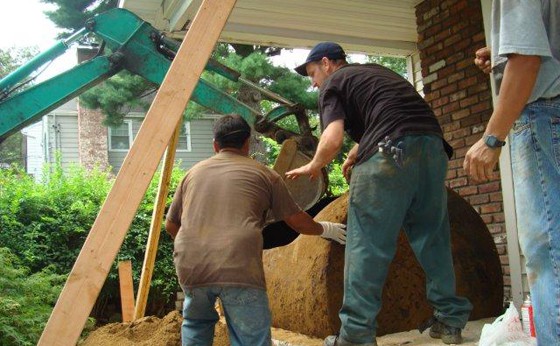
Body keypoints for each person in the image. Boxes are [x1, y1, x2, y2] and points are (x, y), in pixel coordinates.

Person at [287, 42, 472, 346]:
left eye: (312, 73)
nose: (313, 82)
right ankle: (450, 320)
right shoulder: (378, 74)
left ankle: (356, 335)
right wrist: (355, 154)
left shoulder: (334, 83)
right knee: (433, 237)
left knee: (367, 244)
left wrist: (315, 165)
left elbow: (332, 137)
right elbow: (394, 119)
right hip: (432, 149)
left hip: (389, 154)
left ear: (327, 63)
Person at [165, 114, 347, 346]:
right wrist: (326, 229)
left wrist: (197, 244)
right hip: (238, 265)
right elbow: (297, 221)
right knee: (250, 338)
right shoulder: (265, 174)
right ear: (247, 142)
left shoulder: (191, 175)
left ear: (215, 145)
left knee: (196, 324)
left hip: (191, 266)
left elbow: (171, 225)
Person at [464, 2, 560, 344]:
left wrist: (492, 137)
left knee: (548, 251)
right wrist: (506, 53)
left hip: (545, 116)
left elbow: (527, 60)